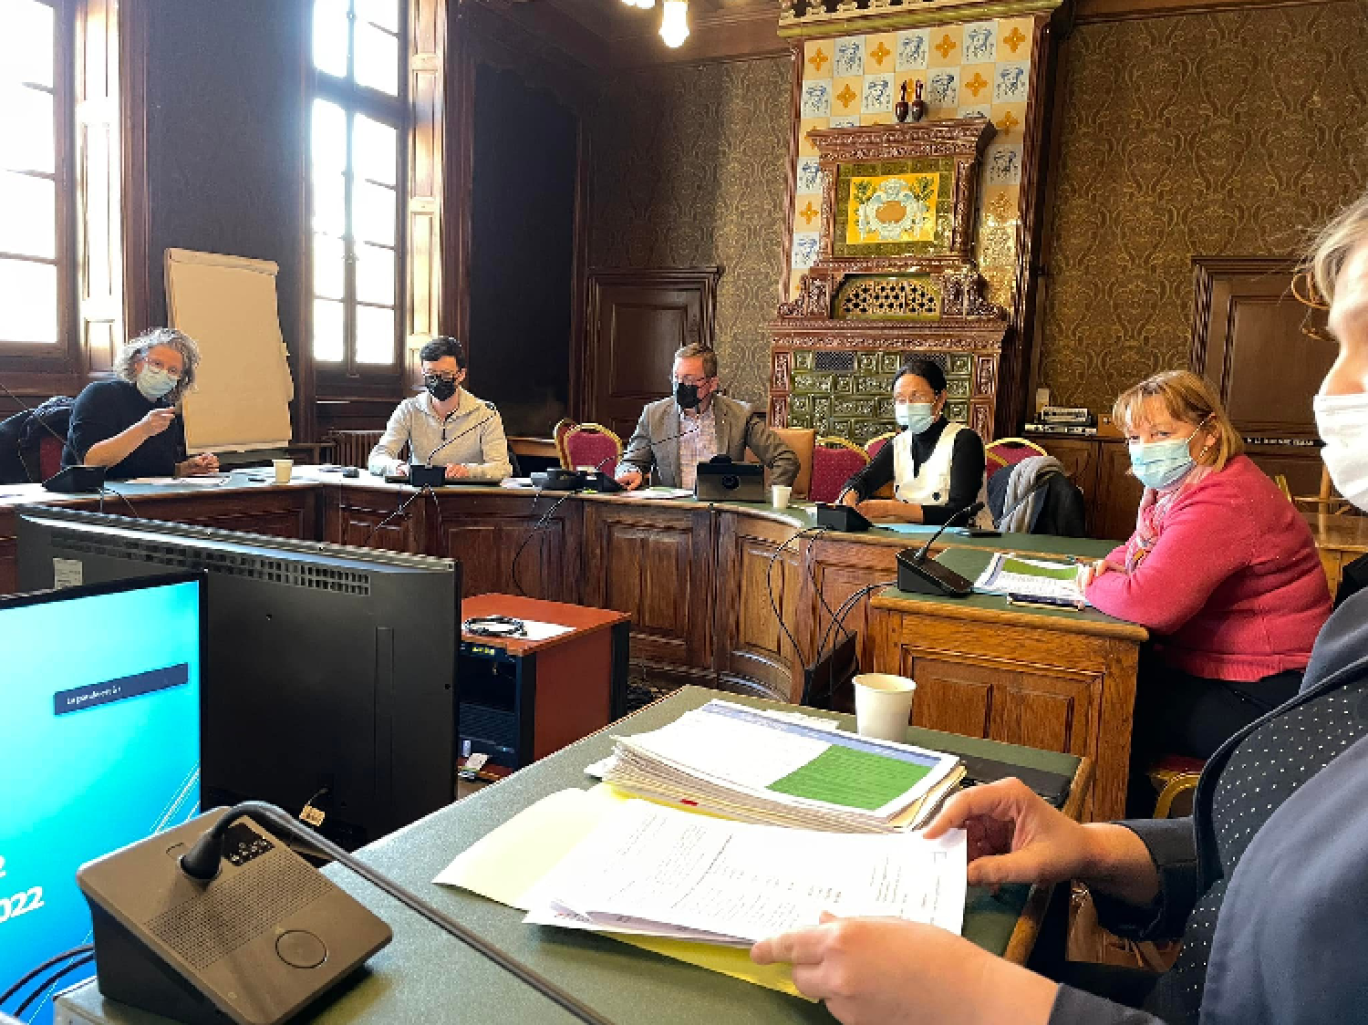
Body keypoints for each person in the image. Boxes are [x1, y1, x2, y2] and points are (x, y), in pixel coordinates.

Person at [751, 191, 1368, 1025]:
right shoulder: (1195, 503)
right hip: (1198, 953)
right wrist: (1094, 848)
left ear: (1205, 433)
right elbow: (1270, 849)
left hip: (1258, 683)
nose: (1334, 387)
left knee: (1113, 695)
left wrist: (975, 999)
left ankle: (1097, 847)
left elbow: (1138, 596)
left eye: (1365, 341)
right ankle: (1092, 849)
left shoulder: (1224, 499)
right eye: (1338, 344)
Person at [1078, 370, 1329, 791]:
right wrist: (1110, 567)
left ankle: (1127, 832)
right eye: (1135, 438)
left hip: (1267, 693)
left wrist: (1090, 585)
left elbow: (1150, 604)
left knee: (1102, 705)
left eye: (1161, 433)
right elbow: (1139, 548)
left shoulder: (1225, 496)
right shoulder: (1181, 486)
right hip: (1223, 670)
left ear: (1208, 431)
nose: (1145, 449)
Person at [613, 343, 798, 491]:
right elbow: (630, 461)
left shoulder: (740, 415)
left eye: (689, 380)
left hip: (721, 513)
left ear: (712, 384)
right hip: (672, 515)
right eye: (676, 378)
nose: (680, 385)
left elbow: (785, 459)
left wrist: (769, 499)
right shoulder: (654, 415)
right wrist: (631, 472)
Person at [836, 358, 986, 523]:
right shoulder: (899, 443)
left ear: (941, 399)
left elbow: (960, 513)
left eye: (917, 397)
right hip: (907, 535)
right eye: (901, 399)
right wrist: (850, 494)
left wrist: (891, 509)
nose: (908, 405)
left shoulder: (964, 441)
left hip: (958, 539)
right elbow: (864, 479)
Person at [63, 328, 219, 479]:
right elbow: (91, 462)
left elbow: (156, 471)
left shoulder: (165, 411)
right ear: (137, 363)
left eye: (172, 370)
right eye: (157, 364)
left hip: (145, 498)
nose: (163, 373)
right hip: (93, 497)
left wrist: (186, 468)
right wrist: (143, 429)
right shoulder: (100, 395)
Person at [367, 336, 511, 481]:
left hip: (469, 497)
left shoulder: (485, 413)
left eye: (446, 375)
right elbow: (377, 458)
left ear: (461, 375)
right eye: (430, 374)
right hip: (421, 496)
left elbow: (502, 468)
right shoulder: (408, 409)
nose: (437, 381)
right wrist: (396, 467)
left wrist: (468, 471)